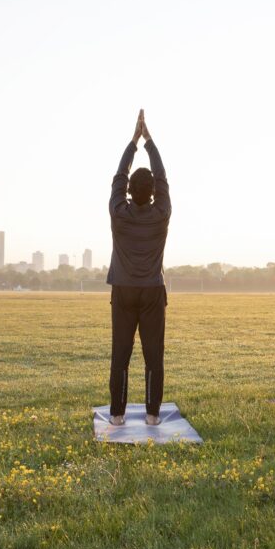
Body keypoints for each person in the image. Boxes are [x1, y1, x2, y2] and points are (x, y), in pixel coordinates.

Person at [106, 109, 171, 426]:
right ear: (155, 193)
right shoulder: (161, 212)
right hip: (152, 292)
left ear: (130, 191)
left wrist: (133, 141)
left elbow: (119, 176)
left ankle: (117, 415)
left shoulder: (119, 212)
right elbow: (162, 178)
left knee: (121, 353)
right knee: (152, 355)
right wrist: (149, 141)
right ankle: (152, 415)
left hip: (123, 289)